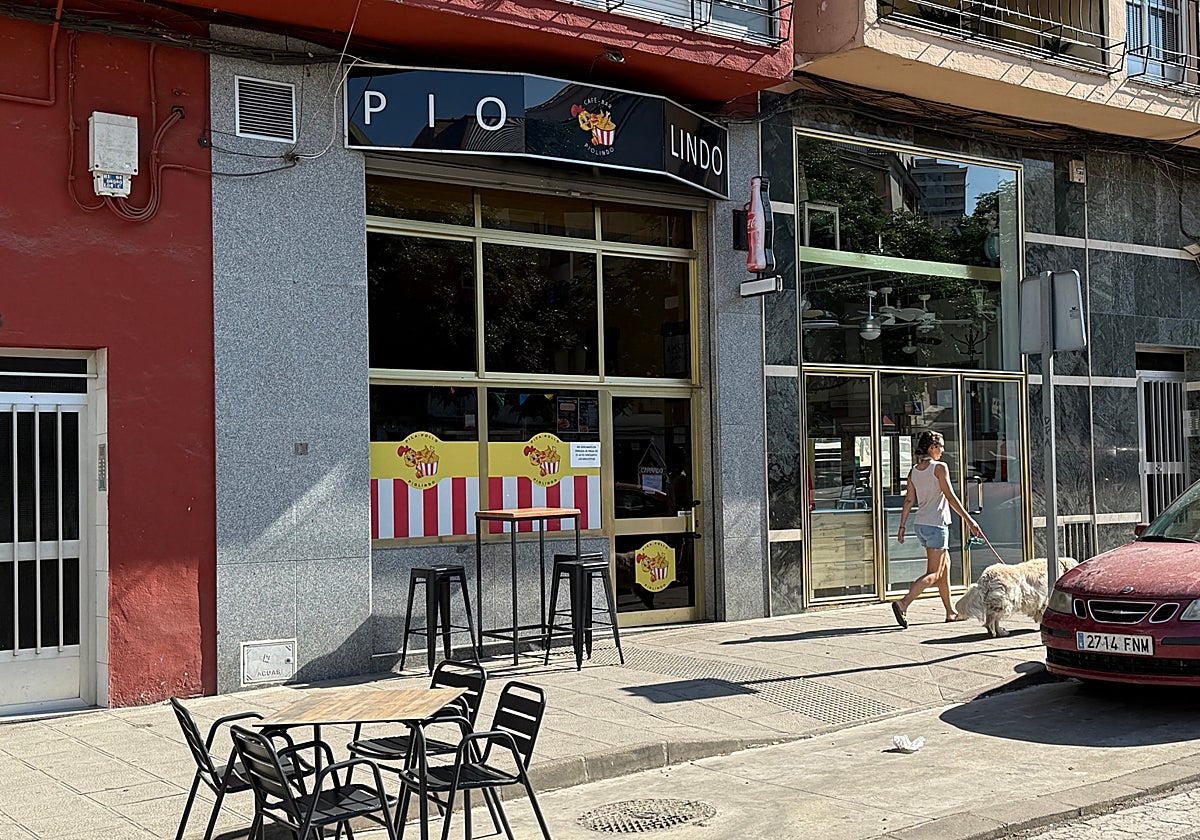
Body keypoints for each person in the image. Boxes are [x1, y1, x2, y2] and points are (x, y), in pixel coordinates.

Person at [891, 430, 982, 628]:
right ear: (931, 448)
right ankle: (903, 603)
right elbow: (950, 497)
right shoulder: (939, 468)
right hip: (936, 525)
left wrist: (902, 526)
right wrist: (969, 521)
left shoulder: (913, 471)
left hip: (921, 525)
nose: (943, 450)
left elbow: (908, 500)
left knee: (944, 568)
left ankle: (950, 612)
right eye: (940, 446)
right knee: (933, 573)